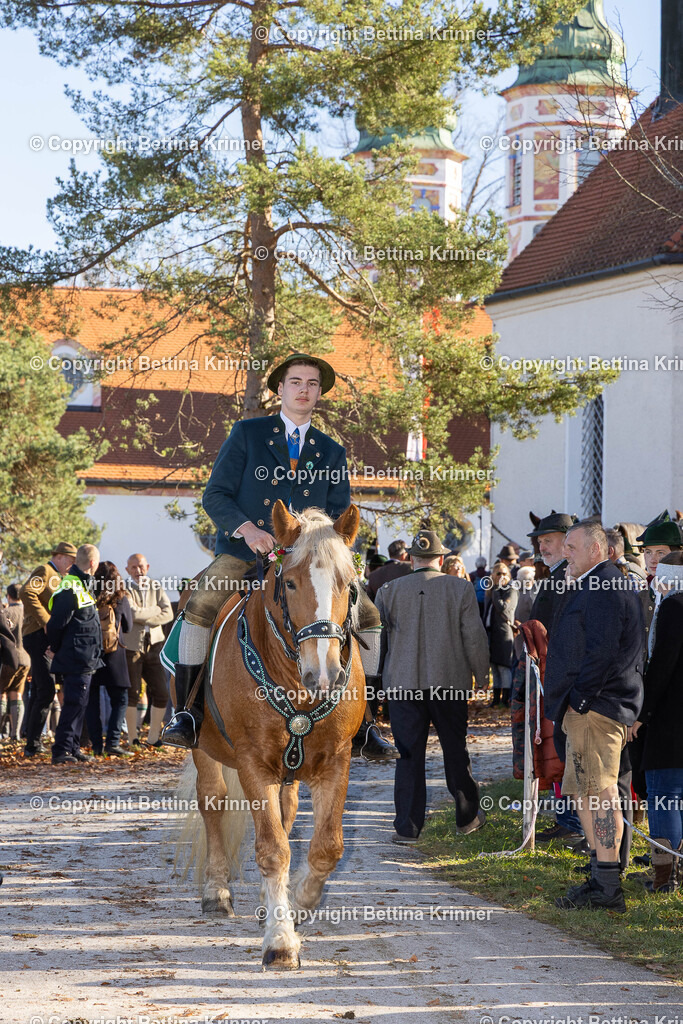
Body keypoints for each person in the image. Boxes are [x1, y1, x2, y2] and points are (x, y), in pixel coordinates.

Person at [163, 352, 386, 754]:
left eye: (312, 384)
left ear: (319, 394)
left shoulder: (331, 451)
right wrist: (247, 529)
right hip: (245, 553)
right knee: (200, 605)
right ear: (280, 389)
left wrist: (330, 549)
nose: (304, 390)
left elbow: (339, 515)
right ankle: (188, 713)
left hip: (309, 562)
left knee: (368, 616)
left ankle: (366, 722)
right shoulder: (248, 434)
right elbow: (215, 495)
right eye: (296, 382)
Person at [544, 521, 644, 911]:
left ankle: (607, 889)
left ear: (597, 550)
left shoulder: (604, 586)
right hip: (595, 709)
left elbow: (602, 652)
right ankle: (601, 878)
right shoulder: (597, 583)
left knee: (598, 796)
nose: (565, 552)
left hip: (596, 711)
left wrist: (580, 700)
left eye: (572, 546)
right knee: (590, 795)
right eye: (564, 546)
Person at [375, 530, 490, 843]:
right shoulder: (461, 589)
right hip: (448, 683)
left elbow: (378, 643)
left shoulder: (388, 590)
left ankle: (408, 827)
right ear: (441, 559)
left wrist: (375, 684)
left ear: (412, 558)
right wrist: (482, 674)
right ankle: (467, 818)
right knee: (455, 750)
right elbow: (474, 636)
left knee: (408, 755)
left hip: (402, 685)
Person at [524, 511, 585, 847]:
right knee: (559, 749)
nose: (541, 546)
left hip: (564, 680)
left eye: (547, 540)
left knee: (568, 751)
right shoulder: (556, 576)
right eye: (539, 541)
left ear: (566, 540)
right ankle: (567, 817)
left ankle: (574, 821)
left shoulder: (568, 578)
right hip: (554, 677)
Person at [629, 552, 683, 892]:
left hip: (670, 719)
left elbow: (662, 664)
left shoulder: (674, 607)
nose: (656, 584)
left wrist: (641, 713)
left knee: (665, 794)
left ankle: (666, 877)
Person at [47, 544, 104, 765]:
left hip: (85, 657)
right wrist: (56, 648)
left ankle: (72, 748)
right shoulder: (71, 587)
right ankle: (61, 750)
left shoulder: (82, 584)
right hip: (76, 657)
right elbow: (56, 625)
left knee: (80, 704)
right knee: (73, 704)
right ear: (92, 563)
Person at [20, 541, 77, 758]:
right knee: (46, 690)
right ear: (60, 556)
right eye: (70, 561)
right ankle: (32, 744)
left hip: (46, 637)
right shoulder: (45, 570)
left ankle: (32, 741)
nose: (71, 566)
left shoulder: (60, 577)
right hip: (37, 635)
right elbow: (27, 592)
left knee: (42, 690)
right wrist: (45, 621)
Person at [122, 553, 173, 748]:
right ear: (127, 570)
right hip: (132, 646)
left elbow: (168, 613)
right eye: (133, 567)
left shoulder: (156, 587)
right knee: (133, 693)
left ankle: (153, 738)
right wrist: (154, 610)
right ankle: (132, 738)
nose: (138, 571)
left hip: (155, 645)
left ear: (148, 567)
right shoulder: (123, 588)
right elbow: (132, 613)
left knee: (161, 692)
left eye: (141, 566)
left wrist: (145, 616)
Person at [86, 561, 134, 756]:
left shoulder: (88, 596)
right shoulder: (120, 597)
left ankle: (96, 745)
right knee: (120, 699)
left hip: (92, 654)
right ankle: (113, 743)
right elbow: (129, 627)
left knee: (92, 701)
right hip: (114, 653)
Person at [484, 561, 517, 707]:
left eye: (504, 573)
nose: (501, 576)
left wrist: (497, 590)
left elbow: (503, 607)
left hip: (504, 633)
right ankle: (496, 699)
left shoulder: (510, 590)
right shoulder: (490, 591)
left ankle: (506, 699)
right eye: (498, 573)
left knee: (504, 667)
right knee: (495, 668)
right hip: (491, 634)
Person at [0, 585, 31, 741]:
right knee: (17, 695)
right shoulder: (28, 611)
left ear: (8, 596)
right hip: (26, 659)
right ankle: (16, 733)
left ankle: (3, 733)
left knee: (2, 694)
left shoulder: (7, 613)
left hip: (9, 658)